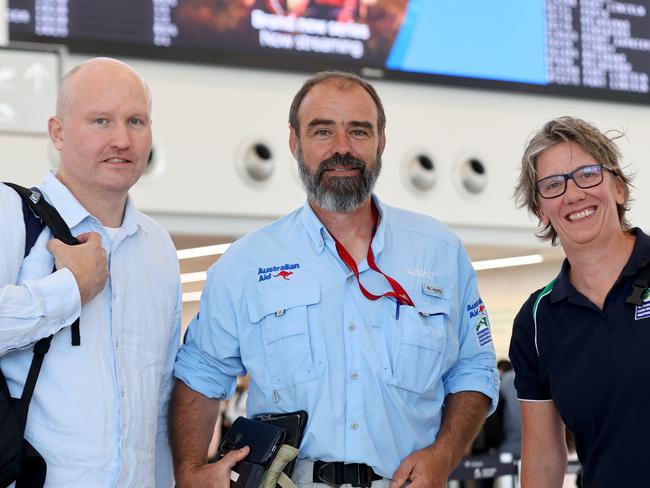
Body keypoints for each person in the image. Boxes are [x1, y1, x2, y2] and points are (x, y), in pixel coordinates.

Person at [171, 71, 499, 488]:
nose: (342, 148)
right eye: (322, 131)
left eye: (359, 131)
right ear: (295, 142)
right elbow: (200, 373)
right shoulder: (246, 263)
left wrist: (446, 453)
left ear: (382, 141)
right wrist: (189, 473)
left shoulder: (439, 251)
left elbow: (473, 368)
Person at [0, 58, 245, 487]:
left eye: (136, 121)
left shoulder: (157, 249)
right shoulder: (10, 216)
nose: (121, 139)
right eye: (100, 120)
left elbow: (158, 402)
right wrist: (70, 289)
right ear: (57, 131)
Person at [510, 116, 647, 487]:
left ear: (618, 188)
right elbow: (542, 460)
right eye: (553, 185)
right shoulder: (536, 321)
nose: (573, 195)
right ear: (541, 211)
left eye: (588, 174)